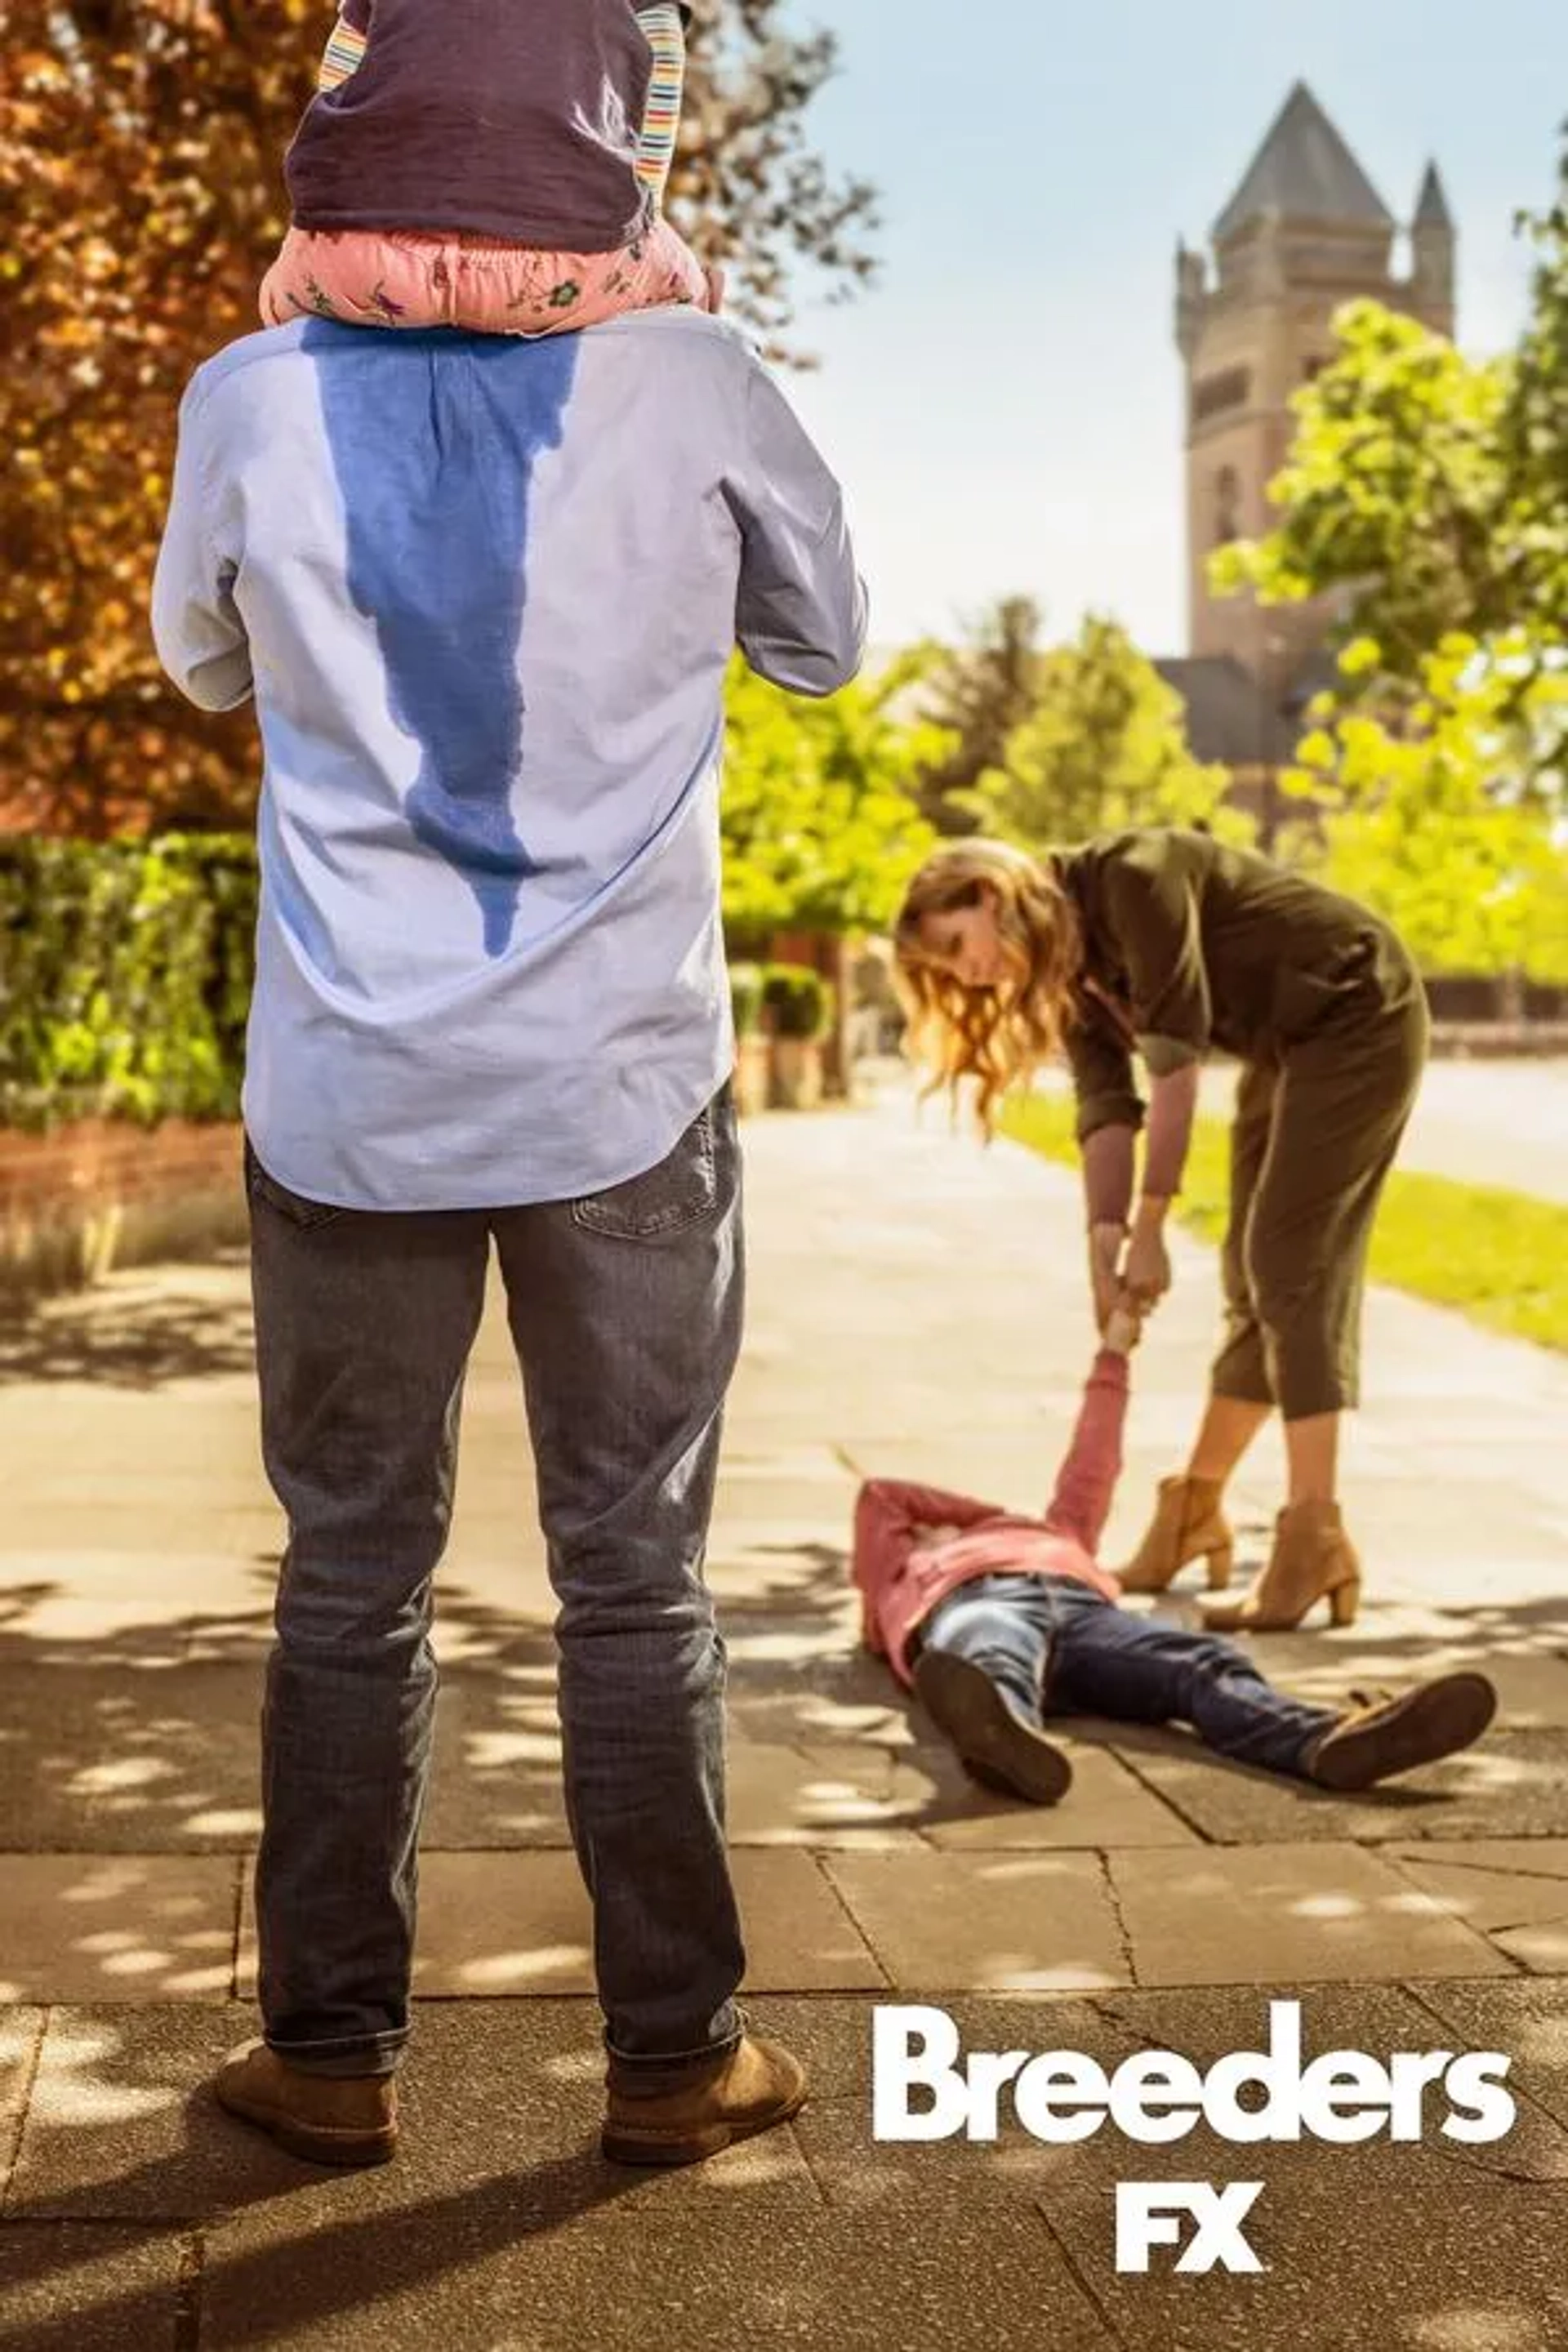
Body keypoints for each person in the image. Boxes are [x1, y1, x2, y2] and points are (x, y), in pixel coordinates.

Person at [152, 274, 865, 2166]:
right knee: (633, 1574)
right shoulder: (698, 375)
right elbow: (822, 643)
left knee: (349, 1572)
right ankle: (669, 2059)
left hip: (353, 1092)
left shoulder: (250, 391)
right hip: (620, 1085)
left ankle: (326, 2056)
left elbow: (207, 664)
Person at [892, 829, 1431, 1633]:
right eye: (946, 970)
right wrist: (1102, 1248)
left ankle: (1314, 1530)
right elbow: (1107, 1110)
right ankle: (1196, 1510)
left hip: (1359, 1007)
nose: (967, 974)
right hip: (1287, 1044)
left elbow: (1174, 1065)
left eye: (956, 946)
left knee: (1288, 1261)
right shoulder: (1066, 969)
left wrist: (1151, 1224)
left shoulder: (1138, 882)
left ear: (990, 895)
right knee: (1257, 1280)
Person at [853, 1310, 1495, 1802]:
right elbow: (881, 1495)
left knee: (1203, 1663)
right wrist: (962, 1535)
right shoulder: (903, 1572)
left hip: (1084, 1611)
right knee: (989, 1651)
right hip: (976, 1603)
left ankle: (1325, 1741)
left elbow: (1093, 1459)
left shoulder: (1058, 1529)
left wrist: (1114, 1353)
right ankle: (1004, 1739)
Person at [261, 2, 712, 336]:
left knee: (278, 296)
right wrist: (642, 214)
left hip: (365, 265)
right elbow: (664, 74)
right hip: (554, 275)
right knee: (689, 291)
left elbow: (341, 71)